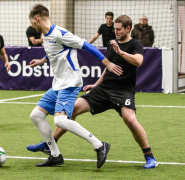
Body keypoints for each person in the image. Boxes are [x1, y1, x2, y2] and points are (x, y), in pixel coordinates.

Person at [27, 15, 158, 169]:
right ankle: (51, 144)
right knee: (72, 109)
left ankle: (149, 156)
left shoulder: (135, 44)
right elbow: (107, 67)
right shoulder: (112, 43)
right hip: (104, 89)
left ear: (128, 29)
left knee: (130, 120)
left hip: (123, 90)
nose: (115, 31)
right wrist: (96, 84)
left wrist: (121, 52)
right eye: (114, 29)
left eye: (118, 29)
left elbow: (138, 61)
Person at [27, 4, 121, 168]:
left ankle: (99, 145)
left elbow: (87, 45)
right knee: (36, 115)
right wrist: (42, 60)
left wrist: (108, 63)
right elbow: (54, 50)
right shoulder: (48, 35)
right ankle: (55, 155)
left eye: (32, 22)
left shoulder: (60, 33)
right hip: (58, 84)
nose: (31, 26)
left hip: (70, 82)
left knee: (60, 121)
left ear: (36, 19)